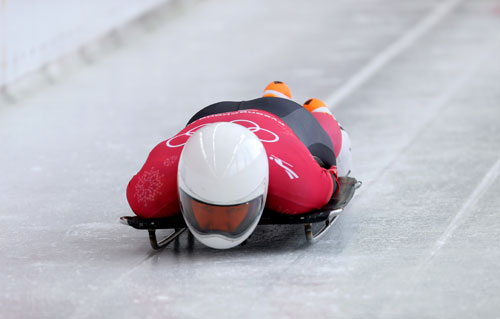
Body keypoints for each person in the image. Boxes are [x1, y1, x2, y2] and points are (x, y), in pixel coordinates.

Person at [126, 81, 352, 248]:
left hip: (287, 118)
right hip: (215, 119)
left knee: (331, 139)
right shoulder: (149, 194)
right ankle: (274, 94)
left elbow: (329, 174)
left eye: (233, 213)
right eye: (204, 210)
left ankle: (313, 108)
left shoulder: (300, 187)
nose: (219, 226)